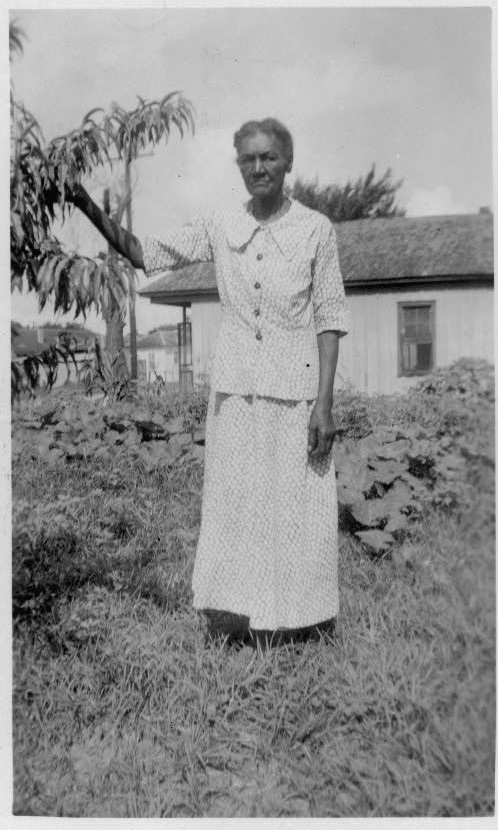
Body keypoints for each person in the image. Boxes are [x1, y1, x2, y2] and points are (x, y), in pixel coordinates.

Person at [68, 117, 350, 648]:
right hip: (236, 392)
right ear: (239, 166)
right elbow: (142, 252)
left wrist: (325, 405)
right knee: (241, 503)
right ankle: (247, 617)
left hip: (296, 392)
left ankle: (297, 619)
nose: (259, 167)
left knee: (295, 507)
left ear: (288, 163)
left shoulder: (316, 229)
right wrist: (85, 203)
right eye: (248, 159)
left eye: (269, 157)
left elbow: (330, 318)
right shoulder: (222, 226)